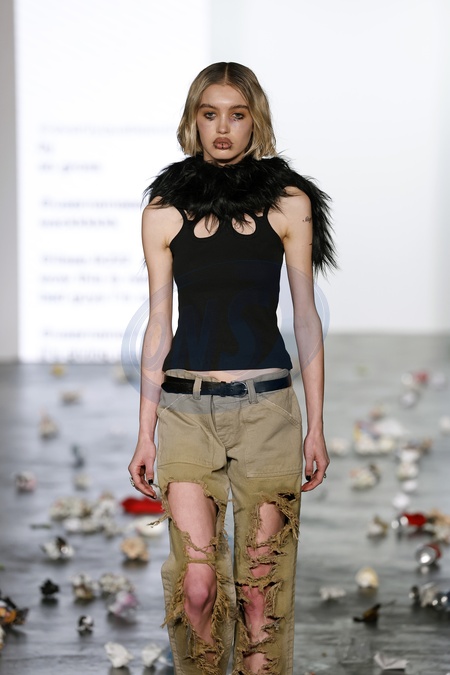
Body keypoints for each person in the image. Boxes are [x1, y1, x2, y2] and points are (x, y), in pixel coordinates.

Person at [128, 62, 336, 675]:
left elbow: (305, 318)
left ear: (255, 121)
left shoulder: (289, 204)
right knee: (196, 588)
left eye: (237, 114)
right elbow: (158, 324)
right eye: (210, 114)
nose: (223, 128)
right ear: (193, 121)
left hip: (268, 412)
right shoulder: (164, 211)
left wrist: (316, 426)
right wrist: (144, 432)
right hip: (185, 411)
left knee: (258, 594)